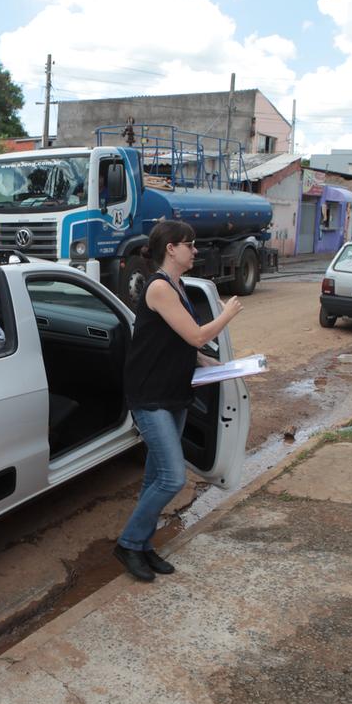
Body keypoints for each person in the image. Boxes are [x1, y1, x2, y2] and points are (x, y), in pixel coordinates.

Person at [113, 220, 244, 581]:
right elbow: (196, 334)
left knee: (155, 476)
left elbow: (177, 341)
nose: (195, 250)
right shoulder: (159, 288)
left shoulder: (178, 285)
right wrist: (227, 314)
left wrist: (204, 361)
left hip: (174, 391)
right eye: (190, 244)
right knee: (171, 478)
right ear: (171, 248)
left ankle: (141, 544)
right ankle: (127, 544)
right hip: (150, 394)